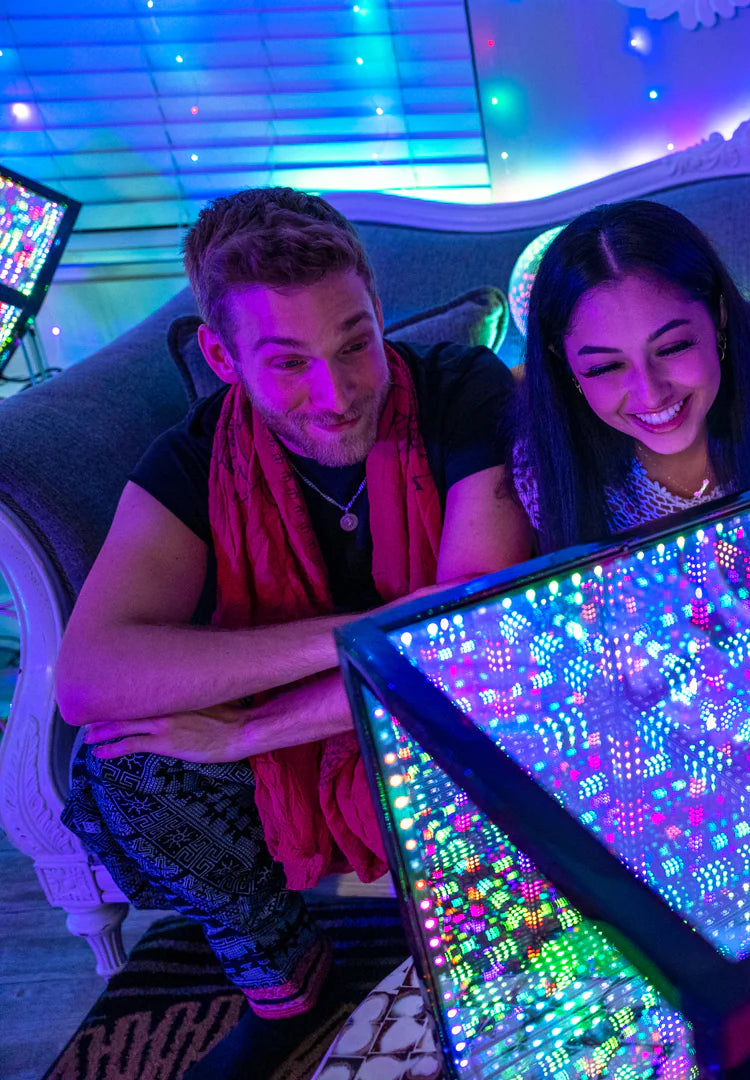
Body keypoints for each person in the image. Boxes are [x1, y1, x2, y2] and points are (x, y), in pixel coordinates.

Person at [55, 188, 532, 1076]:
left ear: (379, 311)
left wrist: (248, 728)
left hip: (440, 711)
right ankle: (286, 979)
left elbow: (471, 642)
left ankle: (481, 965)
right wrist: (366, 631)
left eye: (355, 342)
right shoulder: (195, 457)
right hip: (341, 709)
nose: (338, 392)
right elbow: (88, 677)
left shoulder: (462, 392)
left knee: (508, 718)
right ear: (222, 356)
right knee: (121, 759)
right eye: (288, 362)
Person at [510, 199, 750, 548]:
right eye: (605, 366)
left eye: (672, 348)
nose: (650, 394)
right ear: (564, 362)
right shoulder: (544, 462)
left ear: (720, 315)